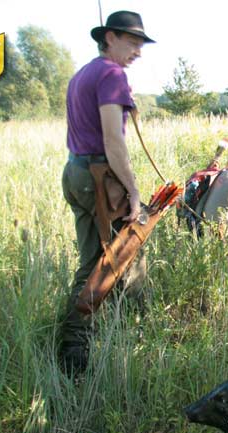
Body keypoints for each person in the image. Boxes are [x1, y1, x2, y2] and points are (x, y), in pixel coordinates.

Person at [59, 11, 154, 374]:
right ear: (110, 37)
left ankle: (79, 340)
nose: (138, 52)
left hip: (76, 171)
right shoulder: (113, 75)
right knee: (127, 249)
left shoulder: (83, 73)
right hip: (101, 177)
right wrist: (132, 191)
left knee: (91, 260)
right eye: (132, 42)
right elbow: (114, 140)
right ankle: (89, 344)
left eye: (141, 44)